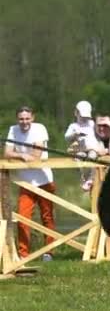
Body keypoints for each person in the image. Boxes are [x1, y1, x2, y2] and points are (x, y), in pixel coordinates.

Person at [4, 106, 57, 261]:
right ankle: (23, 254)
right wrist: (22, 155)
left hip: (44, 180)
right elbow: (7, 153)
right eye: (21, 119)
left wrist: (24, 155)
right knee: (22, 218)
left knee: (47, 217)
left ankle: (49, 252)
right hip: (25, 182)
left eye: (27, 118)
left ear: (32, 118)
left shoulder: (39, 128)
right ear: (17, 119)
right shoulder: (13, 130)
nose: (24, 122)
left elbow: (36, 154)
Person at [64, 100, 98, 191]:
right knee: (79, 158)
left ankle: (90, 179)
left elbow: (98, 133)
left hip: (92, 148)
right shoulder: (73, 126)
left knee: (92, 157)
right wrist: (75, 134)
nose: (84, 119)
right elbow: (66, 137)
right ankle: (83, 180)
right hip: (80, 149)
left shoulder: (92, 123)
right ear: (76, 113)